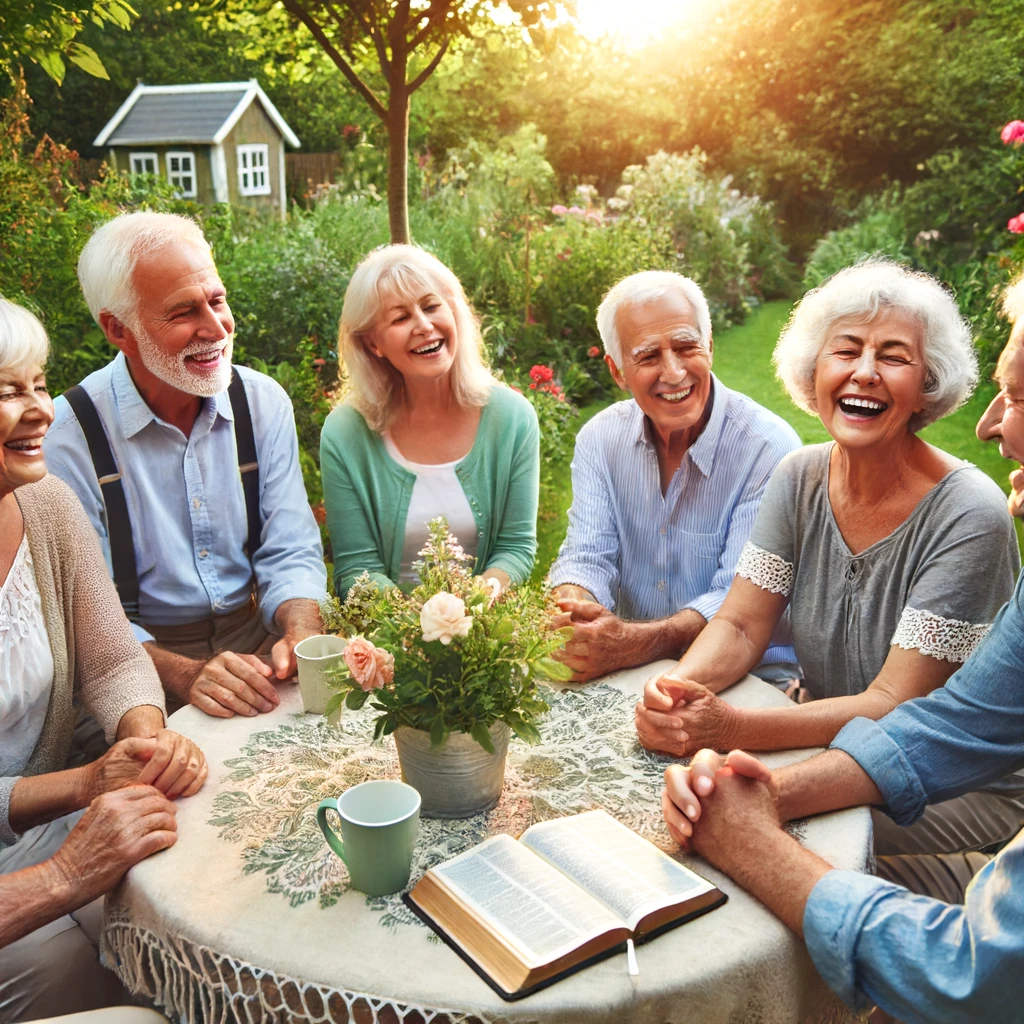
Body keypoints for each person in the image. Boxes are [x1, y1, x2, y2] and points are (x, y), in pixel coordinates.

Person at [637, 259, 1022, 859]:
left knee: (748, 839)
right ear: (813, 370)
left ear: (928, 384)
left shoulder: (969, 513)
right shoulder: (798, 477)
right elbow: (740, 624)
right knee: (684, 813)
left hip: (953, 786)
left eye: (893, 357)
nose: (864, 373)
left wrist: (729, 728)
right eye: (846, 351)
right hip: (829, 746)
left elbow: (894, 704)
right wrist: (678, 693)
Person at [0, 298, 206, 1021]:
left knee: (183, 883)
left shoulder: (46, 503)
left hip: (40, 826)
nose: (39, 411)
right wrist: (72, 838)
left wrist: (143, 739)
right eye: (6, 391)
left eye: (37, 384)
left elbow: (113, 656)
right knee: (106, 983)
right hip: (30, 853)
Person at [44, 212, 328, 720]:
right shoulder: (67, 437)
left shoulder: (262, 402)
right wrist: (188, 674)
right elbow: (86, 625)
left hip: (255, 647)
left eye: (217, 300)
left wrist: (301, 629)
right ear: (117, 328)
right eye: (183, 312)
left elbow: (290, 551)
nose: (216, 327)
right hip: (133, 670)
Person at [548, 270, 801, 683]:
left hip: (749, 677)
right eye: (648, 356)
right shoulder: (600, 438)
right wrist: (575, 605)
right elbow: (587, 555)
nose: (674, 372)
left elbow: (737, 607)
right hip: (626, 667)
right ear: (617, 371)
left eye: (686, 347)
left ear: (710, 348)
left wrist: (629, 643)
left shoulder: (768, 449)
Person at [320, 245, 540, 599]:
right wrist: (416, 627)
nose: (424, 326)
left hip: (483, 630)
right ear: (374, 344)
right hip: (386, 637)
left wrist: (475, 603)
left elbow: (516, 548)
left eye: (431, 306)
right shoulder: (346, 432)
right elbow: (356, 568)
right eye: (400, 318)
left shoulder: (512, 418)